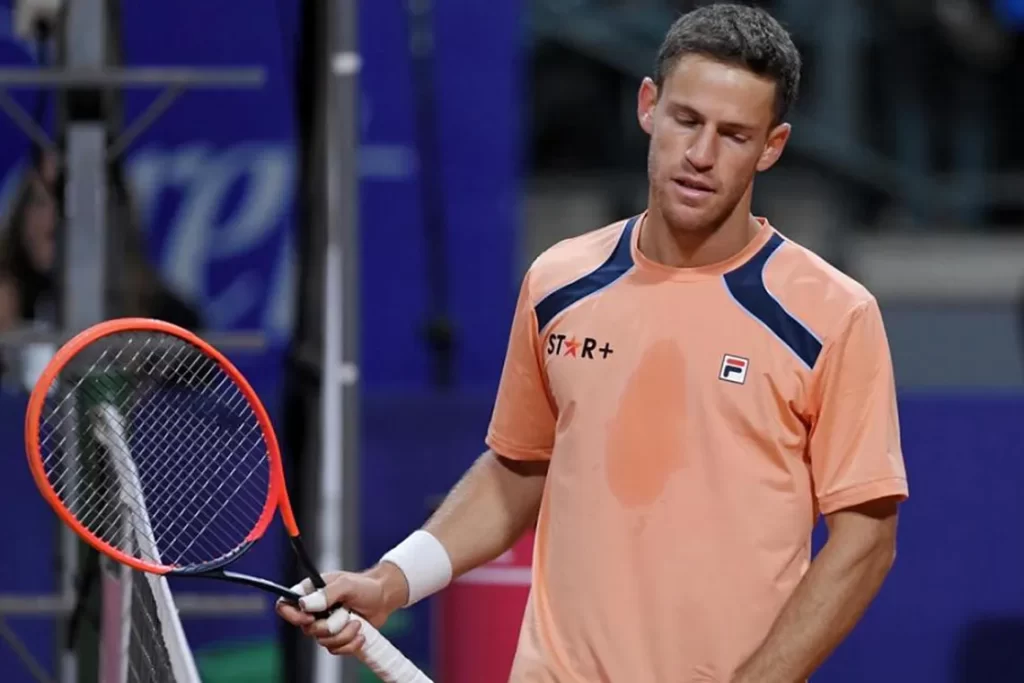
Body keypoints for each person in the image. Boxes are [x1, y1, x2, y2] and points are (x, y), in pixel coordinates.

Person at [277, 4, 910, 681]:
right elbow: (518, 468)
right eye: (686, 120)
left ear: (772, 146)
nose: (700, 155)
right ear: (648, 106)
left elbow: (865, 541)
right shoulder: (558, 281)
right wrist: (391, 580)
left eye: (733, 135)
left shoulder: (832, 314)